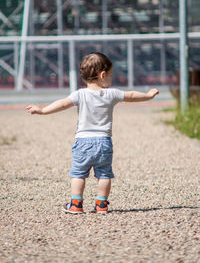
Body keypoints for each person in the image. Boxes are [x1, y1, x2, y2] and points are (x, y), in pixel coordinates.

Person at [26, 52, 159, 214]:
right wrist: (148, 96)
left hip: (82, 142)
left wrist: (42, 111)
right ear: (102, 75)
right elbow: (131, 95)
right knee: (104, 175)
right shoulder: (111, 94)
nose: (111, 79)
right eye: (110, 75)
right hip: (104, 142)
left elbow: (62, 104)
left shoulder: (79, 95)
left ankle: (76, 204)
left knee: (78, 174)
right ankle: (102, 205)